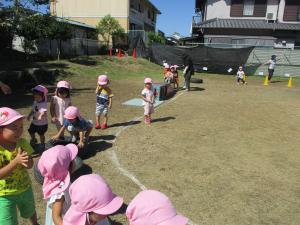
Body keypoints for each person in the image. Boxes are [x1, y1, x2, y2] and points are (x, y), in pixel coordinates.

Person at [0, 107, 39, 225]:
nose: (19, 131)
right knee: (7, 222)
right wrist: (15, 162)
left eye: (21, 127)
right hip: (4, 195)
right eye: (14, 128)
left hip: (25, 188)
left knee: (30, 211)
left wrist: (27, 162)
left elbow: (31, 165)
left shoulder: (22, 143)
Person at [38, 144, 79, 225]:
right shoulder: (60, 192)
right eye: (72, 159)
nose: (75, 160)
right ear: (69, 167)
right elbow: (56, 217)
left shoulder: (53, 178)